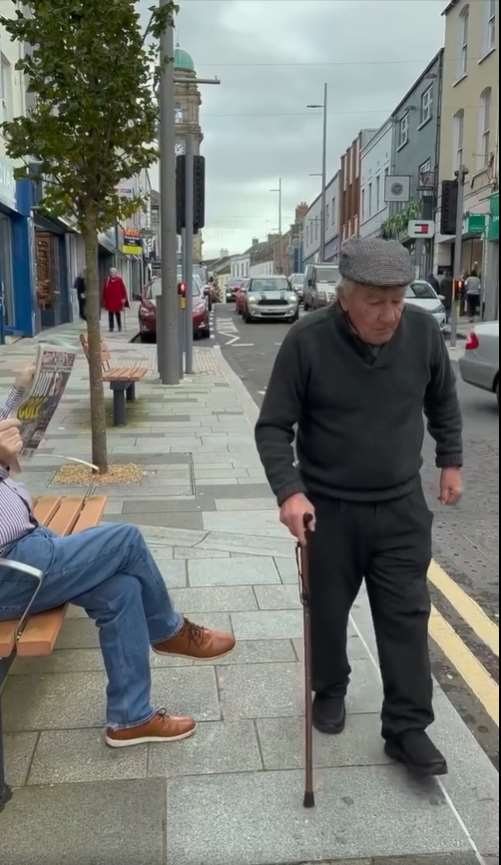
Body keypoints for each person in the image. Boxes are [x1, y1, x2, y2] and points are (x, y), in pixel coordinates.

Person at [255, 238, 463, 778]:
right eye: (375, 301)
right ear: (344, 296)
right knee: (326, 609)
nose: (389, 314)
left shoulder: (420, 333)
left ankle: (407, 728)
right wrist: (289, 491)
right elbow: (274, 425)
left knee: (406, 616)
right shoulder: (307, 340)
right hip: (329, 508)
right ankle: (331, 687)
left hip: (400, 507)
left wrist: (451, 459)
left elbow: (442, 398)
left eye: (396, 300)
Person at [0, 376, 236, 747]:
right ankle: (168, 631)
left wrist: (21, 388)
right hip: (13, 568)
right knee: (126, 539)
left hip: (32, 547)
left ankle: (130, 718)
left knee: (123, 590)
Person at [102, 268, 129, 333]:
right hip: (110, 300)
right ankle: (111, 327)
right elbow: (104, 290)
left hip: (117, 300)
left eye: (114, 272)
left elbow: (123, 290)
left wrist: (124, 298)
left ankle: (119, 327)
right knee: (110, 314)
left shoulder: (119, 280)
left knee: (117, 314)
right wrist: (104, 299)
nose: (112, 273)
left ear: (116, 273)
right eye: (111, 272)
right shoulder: (107, 280)